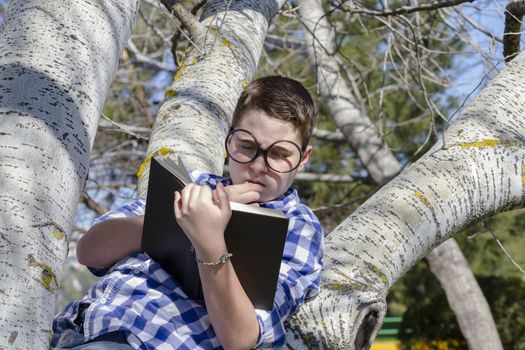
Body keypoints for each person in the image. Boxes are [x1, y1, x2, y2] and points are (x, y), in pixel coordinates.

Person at [51, 76, 324, 349]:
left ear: (303, 158)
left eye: (279, 154)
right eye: (247, 146)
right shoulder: (192, 184)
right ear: (229, 142)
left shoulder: (298, 227)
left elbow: (241, 339)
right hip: (83, 332)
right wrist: (178, 217)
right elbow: (88, 251)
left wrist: (209, 242)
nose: (258, 166)